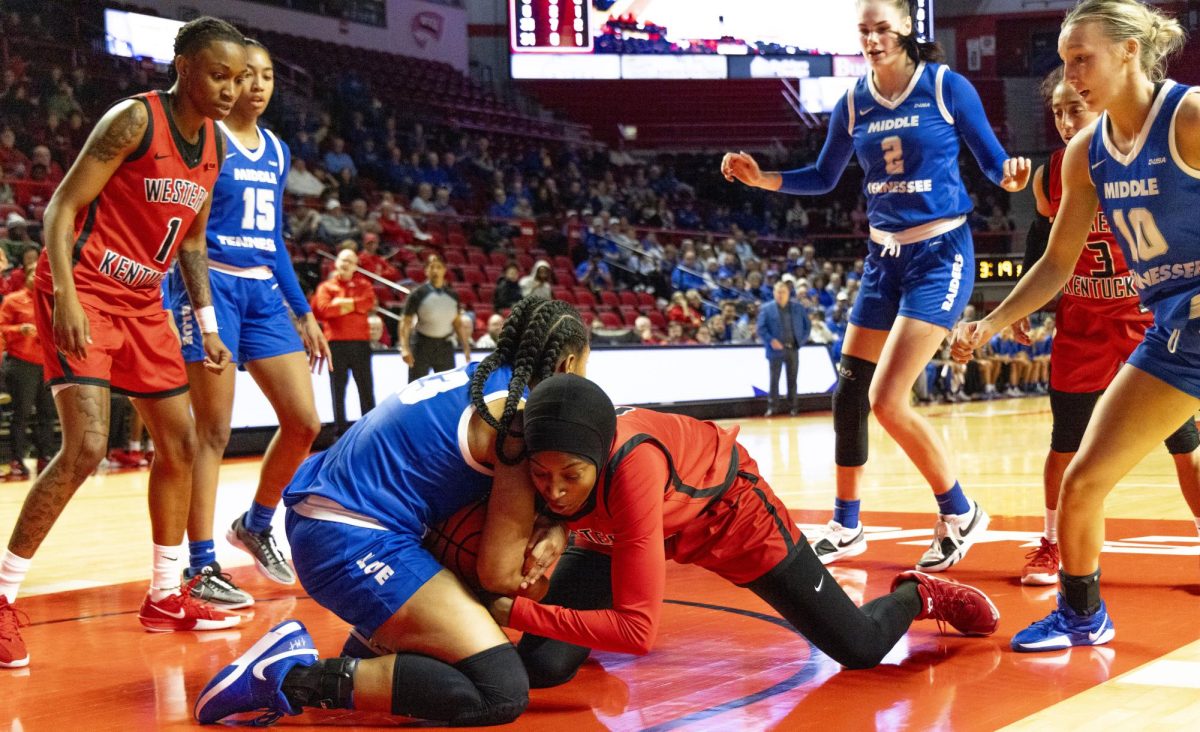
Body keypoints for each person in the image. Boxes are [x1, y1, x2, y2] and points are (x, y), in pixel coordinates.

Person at [721, 0, 1029, 570]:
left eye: (882, 28)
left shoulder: (945, 86)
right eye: (863, 31)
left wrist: (1008, 173)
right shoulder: (854, 100)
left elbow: (991, 161)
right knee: (848, 393)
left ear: (908, 27)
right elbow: (823, 175)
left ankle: (961, 512)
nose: (872, 39)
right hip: (882, 259)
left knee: (888, 400)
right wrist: (763, 178)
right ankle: (846, 524)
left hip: (939, 253)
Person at [193, 297, 591, 726]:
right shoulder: (514, 417)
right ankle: (289, 677)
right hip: (349, 536)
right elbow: (500, 573)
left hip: (330, 516)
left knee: (468, 603)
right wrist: (551, 566)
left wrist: (549, 526)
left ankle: (374, 649)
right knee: (499, 690)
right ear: (568, 365)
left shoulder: (485, 378)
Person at [485, 374, 998, 689]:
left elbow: (638, 633)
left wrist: (518, 611)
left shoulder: (632, 468)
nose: (553, 490)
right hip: (633, 522)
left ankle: (919, 593)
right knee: (546, 666)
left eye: (569, 478)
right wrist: (556, 521)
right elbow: (552, 492)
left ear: (596, 457)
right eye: (541, 476)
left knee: (860, 648)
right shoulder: (545, 452)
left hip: (729, 513)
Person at [0, 16, 246, 670]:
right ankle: (0, 599)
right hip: (85, 290)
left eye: (238, 78)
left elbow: (190, 242)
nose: (229, 88)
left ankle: (166, 593)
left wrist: (208, 326)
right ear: (185, 66)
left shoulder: (214, 145)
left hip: (144, 303)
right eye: (218, 74)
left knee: (182, 442)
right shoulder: (133, 121)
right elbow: (59, 209)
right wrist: (65, 296)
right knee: (85, 447)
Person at [954, 0, 1196, 651]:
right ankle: (1083, 615)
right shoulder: (1086, 153)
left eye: (1083, 58)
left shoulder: (1190, 117)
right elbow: (1057, 262)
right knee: (1084, 479)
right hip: (1174, 335)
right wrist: (991, 322)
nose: (1073, 74)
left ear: (1126, 51)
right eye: (1065, 62)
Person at [1017, 63, 1200, 586]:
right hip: (1082, 323)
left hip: (1147, 320)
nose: (1065, 120)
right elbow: (1044, 240)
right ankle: (1051, 544)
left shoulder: (1150, 149)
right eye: (1057, 111)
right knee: (1066, 445)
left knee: (1184, 447)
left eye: (1075, 107)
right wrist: (1024, 307)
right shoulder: (1056, 169)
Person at [166, 39, 331, 608]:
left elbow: (275, 240)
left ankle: (257, 523)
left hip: (262, 289)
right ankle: (200, 564)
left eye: (266, 77)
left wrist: (303, 310)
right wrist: (201, 307)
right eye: (246, 76)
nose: (256, 86)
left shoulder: (278, 151)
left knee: (305, 421)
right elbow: (187, 231)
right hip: (209, 282)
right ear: (228, 80)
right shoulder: (206, 140)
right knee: (211, 432)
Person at [313, 248, 376, 436]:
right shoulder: (325, 287)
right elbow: (323, 310)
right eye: (343, 260)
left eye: (350, 261)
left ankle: (370, 429)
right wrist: (353, 305)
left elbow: (368, 303)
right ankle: (339, 431)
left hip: (360, 344)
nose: (346, 263)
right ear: (336, 262)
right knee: (338, 390)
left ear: (356, 265)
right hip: (335, 345)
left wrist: (340, 303)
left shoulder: (364, 284)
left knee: (366, 388)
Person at [0, 265, 54, 478]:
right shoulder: (14, 300)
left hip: (46, 364)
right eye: (34, 273)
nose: (38, 277)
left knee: (47, 414)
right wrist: (19, 329)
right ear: (27, 276)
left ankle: (46, 458)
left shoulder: (49, 301)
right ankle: (17, 459)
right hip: (21, 363)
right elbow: (1, 327)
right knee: (21, 414)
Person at [400, 254, 471, 382]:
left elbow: (457, 323)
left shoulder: (453, 295)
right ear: (426, 270)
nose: (435, 271)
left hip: (445, 347)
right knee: (416, 387)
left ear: (444, 269)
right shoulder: (418, 294)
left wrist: (466, 347)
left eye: (439, 267)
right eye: (431, 267)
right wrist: (404, 348)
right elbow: (405, 322)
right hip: (421, 345)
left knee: (448, 388)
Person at [757, 281, 811, 416]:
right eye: (777, 292)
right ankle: (772, 407)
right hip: (775, 350)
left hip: (793, 348)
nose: (780, 295)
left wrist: (800, 342)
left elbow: (807, 326)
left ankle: (793, 407)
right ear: (774, 293)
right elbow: (761, 328)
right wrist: (771, 340)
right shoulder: (766, 308)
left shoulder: (798, 308)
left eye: (783, 292)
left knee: (792, 379)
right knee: (774, 380)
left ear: (788, 293)